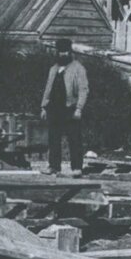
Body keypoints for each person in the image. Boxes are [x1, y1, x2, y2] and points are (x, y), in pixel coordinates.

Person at [39, 39, 89, 175]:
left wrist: (79, 108)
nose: (63, 54)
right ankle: (54, 166)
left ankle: (77, 168)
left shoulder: (78, 68)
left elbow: (83, 90)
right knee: (53, 139)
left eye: (65, 52)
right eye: (60, 52)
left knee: (74, 139)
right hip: (54, 108)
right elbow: (48, 89)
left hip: (70, 108)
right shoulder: (53, 69)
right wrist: (43, 107)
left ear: (70, 52)